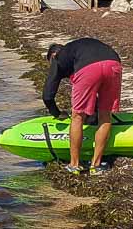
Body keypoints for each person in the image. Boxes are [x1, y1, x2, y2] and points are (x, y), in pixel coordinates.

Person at [42, 37, 123, 174]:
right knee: (105, 115)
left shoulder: (58, 56)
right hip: (113, 63)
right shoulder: (77, 49)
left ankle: (74, 165)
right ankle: (96, 166)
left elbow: (48, 95)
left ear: (53, 55)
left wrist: (57, 113)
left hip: (89, 69)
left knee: (77, 116)